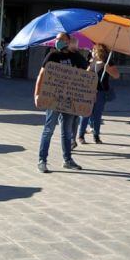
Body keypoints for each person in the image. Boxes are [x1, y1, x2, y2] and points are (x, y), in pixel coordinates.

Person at [34, 32, 84, 173]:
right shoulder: (53, 55)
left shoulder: (75, 56)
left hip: (69, 99)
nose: (58, 42)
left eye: (61, 39)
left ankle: (67, 160)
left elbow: (86, 75)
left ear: (69, 41)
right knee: (48, 129)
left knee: (67, 131)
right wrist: (37, 94)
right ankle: (42, 160)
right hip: (53, 99)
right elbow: (41, 75)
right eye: (57, 39)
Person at [79, 44, 118, 144]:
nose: (92, 52)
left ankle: (96, 136)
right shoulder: (90, 61)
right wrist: (89, 67)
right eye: (92, 50)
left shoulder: (108, 62)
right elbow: (83, 76)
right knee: (85, 113)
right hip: (89, 91)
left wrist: (108, 69)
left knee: (97, 115)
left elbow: (116, 75)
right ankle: (81, 135)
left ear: (100, 52)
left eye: (94, 50)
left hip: (101, 92)